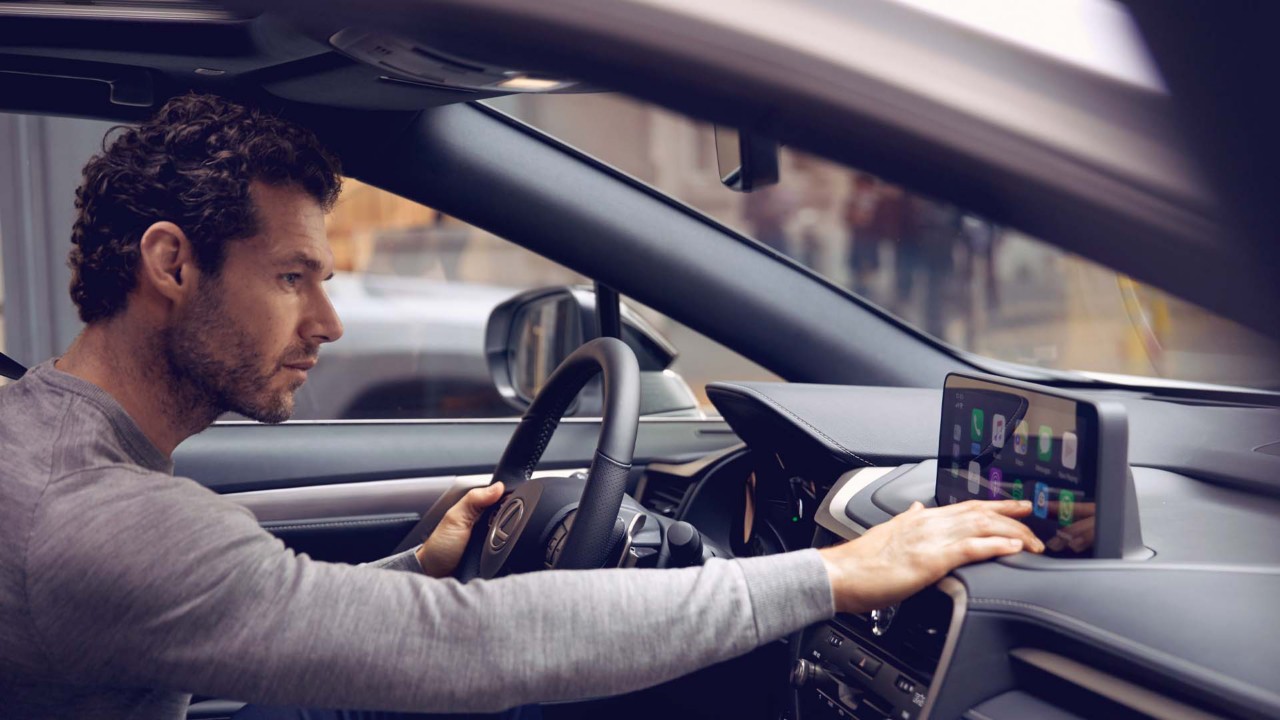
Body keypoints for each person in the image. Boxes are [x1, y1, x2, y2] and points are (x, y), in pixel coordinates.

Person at [0, 94, 1044, 720]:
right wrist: (833, 573)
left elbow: (241, 623)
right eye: (290, 279)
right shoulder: (100, 524)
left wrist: (417, 570)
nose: (330, 321)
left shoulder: (61, 452)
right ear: (171, 264)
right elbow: (465, 647)